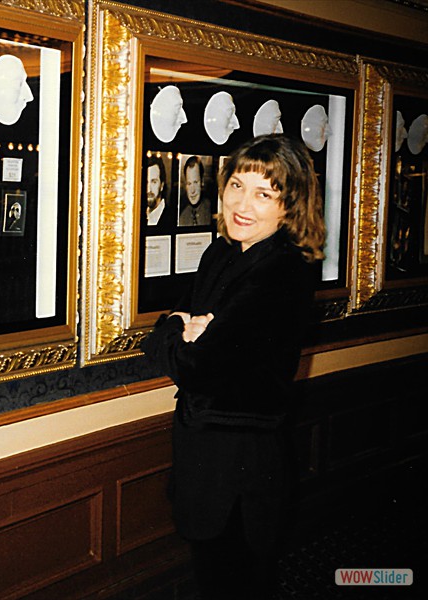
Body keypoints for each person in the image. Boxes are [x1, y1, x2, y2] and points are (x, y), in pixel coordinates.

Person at [142, 134, 326, 599]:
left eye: (265, 194)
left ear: (290, 205)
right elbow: (165, 334)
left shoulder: (282, 271)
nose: (243, 203)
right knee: (212, 577)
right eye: (237, 186)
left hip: (242, 468)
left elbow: (196, 366)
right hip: (202, 455)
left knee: (239, 584)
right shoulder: (220, 253)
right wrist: (178, 326)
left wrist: (185, 332)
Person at [179, 155, 211, 226]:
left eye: (195, 182)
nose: (192, 191)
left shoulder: (210, 211)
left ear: (202, 182)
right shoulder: (182, 217)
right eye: (189, 184)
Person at [146, 154, 169, 227]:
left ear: (162, 185)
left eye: (154, 182)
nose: (149, 189)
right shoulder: (138, 214)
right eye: (146, 182)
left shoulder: (171, 218)